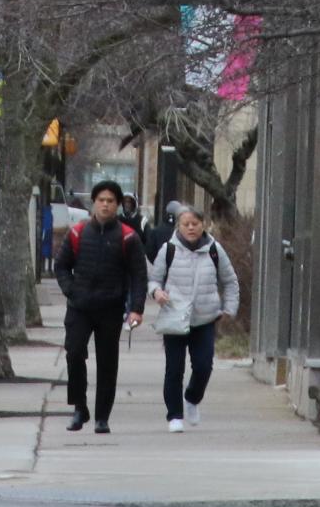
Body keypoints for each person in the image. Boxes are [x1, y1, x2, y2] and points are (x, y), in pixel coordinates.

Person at [52, 179, 145, 434]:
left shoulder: (128, 237)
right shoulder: (78, 233)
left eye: (111, 201)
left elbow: (139, 275)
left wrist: (136, 308)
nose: (105, 205)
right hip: (80, 307)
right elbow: (60, 266)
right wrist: (70, 289)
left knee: (107, 362)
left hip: (111, 308)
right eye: (101, 200)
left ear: (117, 205)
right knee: (74, 353)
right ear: (94, 203)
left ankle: (102, 416)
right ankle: (79, 408)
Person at [144, 206, 241, 432]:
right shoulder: (168, 250)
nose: (190, 228)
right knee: (174, 369)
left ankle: (192, 398)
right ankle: (174, 415)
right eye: (185, 224)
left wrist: (229, 309)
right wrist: (157, 292)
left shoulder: (214, 250)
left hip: (205, 318)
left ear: (203, 225)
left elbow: (230, 281)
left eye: (195, 224)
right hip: (174, 317)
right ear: (178, 225)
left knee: (203, 365)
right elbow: (154, 280)